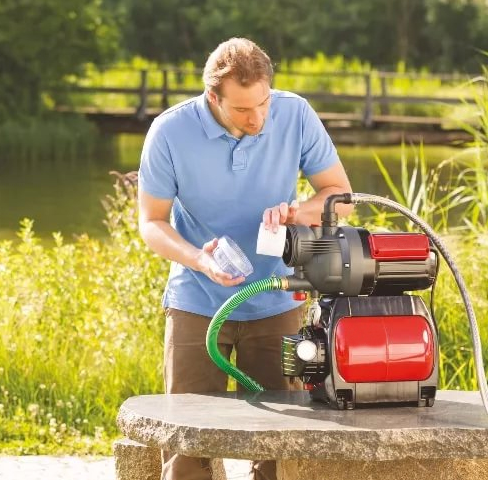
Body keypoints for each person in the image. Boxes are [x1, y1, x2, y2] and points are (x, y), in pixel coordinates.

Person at [137, 37, 353, 480]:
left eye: (263, 103)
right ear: (212, 97)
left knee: (283, 444)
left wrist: (300, 211)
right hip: (197, 301)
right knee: (187, 442)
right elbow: (152, 222)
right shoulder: (170, 132)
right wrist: (199, 258)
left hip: (277, 299)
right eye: (242, 110)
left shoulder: (295, 115)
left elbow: (340, 197)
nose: (257, 119)